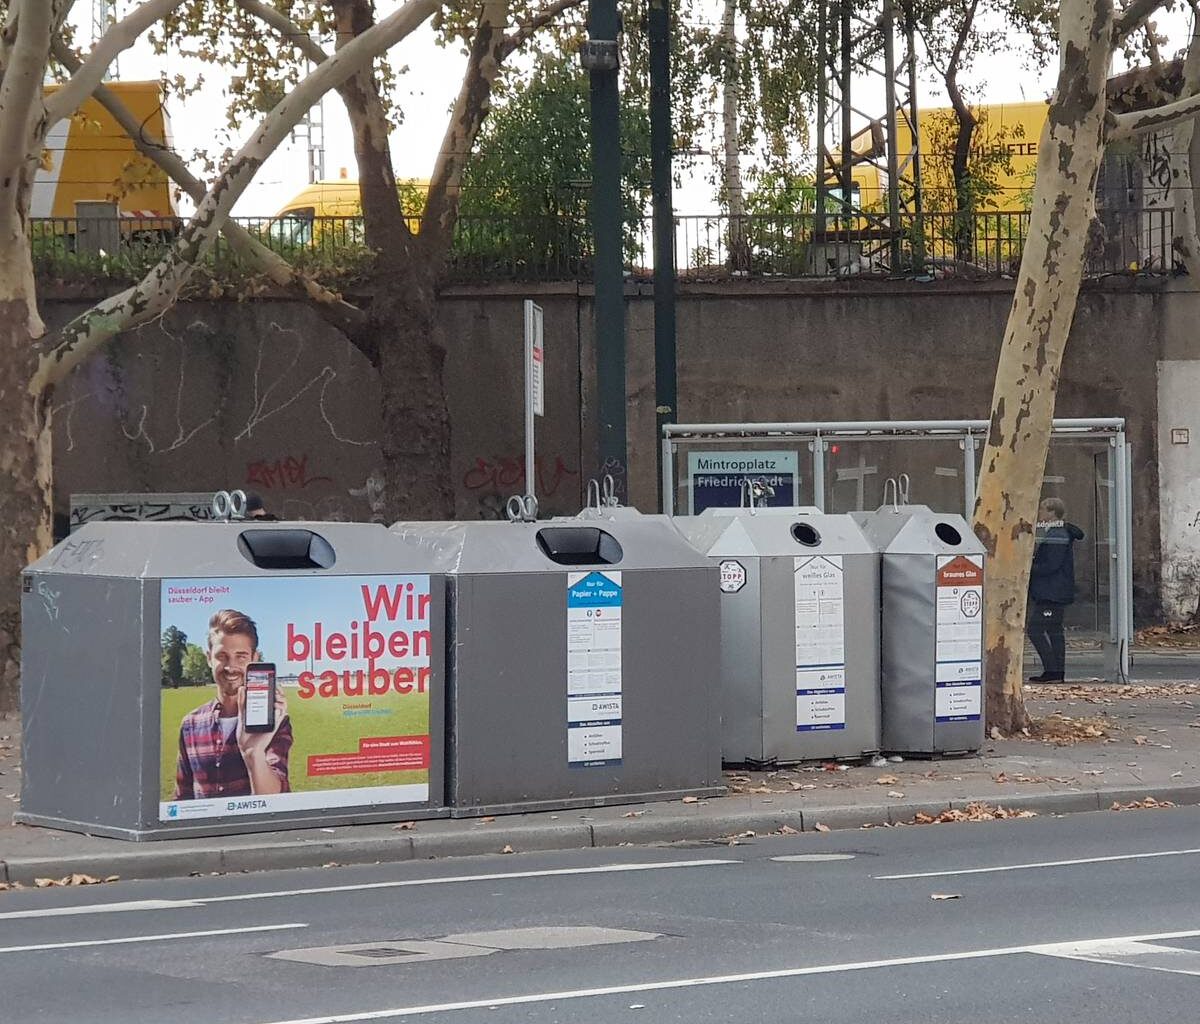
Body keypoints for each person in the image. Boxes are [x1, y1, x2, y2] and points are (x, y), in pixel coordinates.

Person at [173, 609, 292, 800]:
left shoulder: (274, 721)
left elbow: (275, 800)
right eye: (222, 656)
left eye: (241, 656)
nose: (230, 667)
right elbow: (182, 797)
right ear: (209, 658)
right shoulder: (190, 723)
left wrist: (253, 753)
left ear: (254, 658)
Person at [1027, 497, 1085, 683]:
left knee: (1035, 630)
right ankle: (1055, 672)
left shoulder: (1057, 534)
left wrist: (1028, 567)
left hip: (1051, 592)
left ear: (1052, 513)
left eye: (1043, 509)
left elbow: (1051, 564)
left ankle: (1053, 670)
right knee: (1054, 631)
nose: (1040, 513)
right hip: (1054, 590)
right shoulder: (1056, 532)